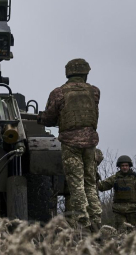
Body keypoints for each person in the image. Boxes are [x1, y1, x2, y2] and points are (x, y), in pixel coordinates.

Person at [38, 58, 102, 232]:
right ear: (85, 73)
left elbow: (50, 117)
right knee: (90, 183)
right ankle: (96, 219)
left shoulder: (59, 93)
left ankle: (83, 223)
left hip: (70, 143)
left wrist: (41, 118)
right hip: (90, 142)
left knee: (76, 184)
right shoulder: (94, 91)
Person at [98, 155, 136, 230]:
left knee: (132, 232)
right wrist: (94, 178)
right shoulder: (115, 178)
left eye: (126, 165)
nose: (124, 167)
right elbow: (102, 186)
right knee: (121, 232)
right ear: (119, 167)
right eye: (122, 166)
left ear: (129, 166)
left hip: (132, 210)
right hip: (119, 210)